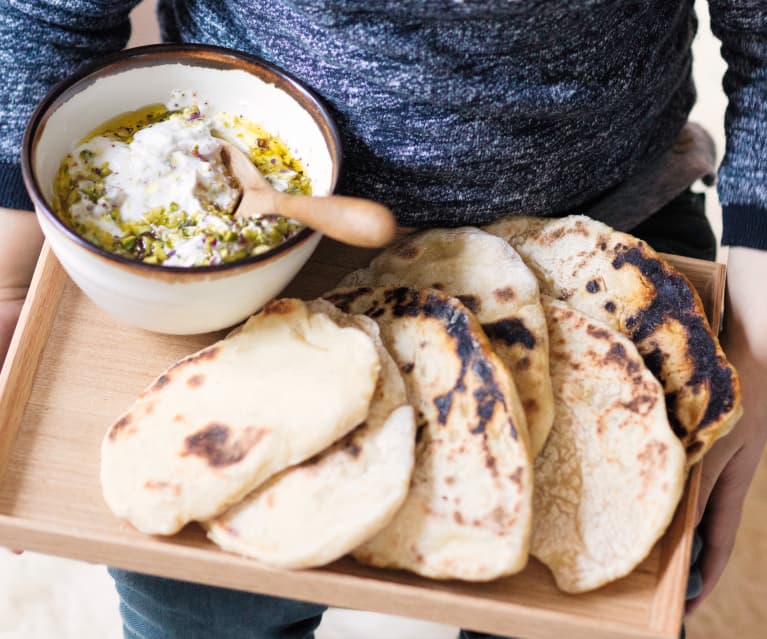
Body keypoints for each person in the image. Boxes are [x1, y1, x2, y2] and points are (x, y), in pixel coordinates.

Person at [1, 1, 765, 637]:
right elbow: (47, 16)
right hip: (233, 270)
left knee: (587, 591)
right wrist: (8, 291)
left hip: (609, 256)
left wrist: (758, 353)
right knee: (191, 601)